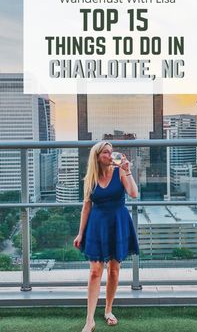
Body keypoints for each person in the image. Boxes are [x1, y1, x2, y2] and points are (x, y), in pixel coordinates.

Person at [73, 141, 139, 332]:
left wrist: (127, 170)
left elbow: (133, 194)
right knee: (95, 272)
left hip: (118, 223)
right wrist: (80, 233)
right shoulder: (90, 177)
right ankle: (89, 320)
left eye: (112, 152)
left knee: (113, 271)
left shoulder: (119, 171)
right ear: (97, 156)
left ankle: (108, 310)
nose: (111, 156)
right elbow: (86, 207)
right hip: (97, 225)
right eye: (106, 153)